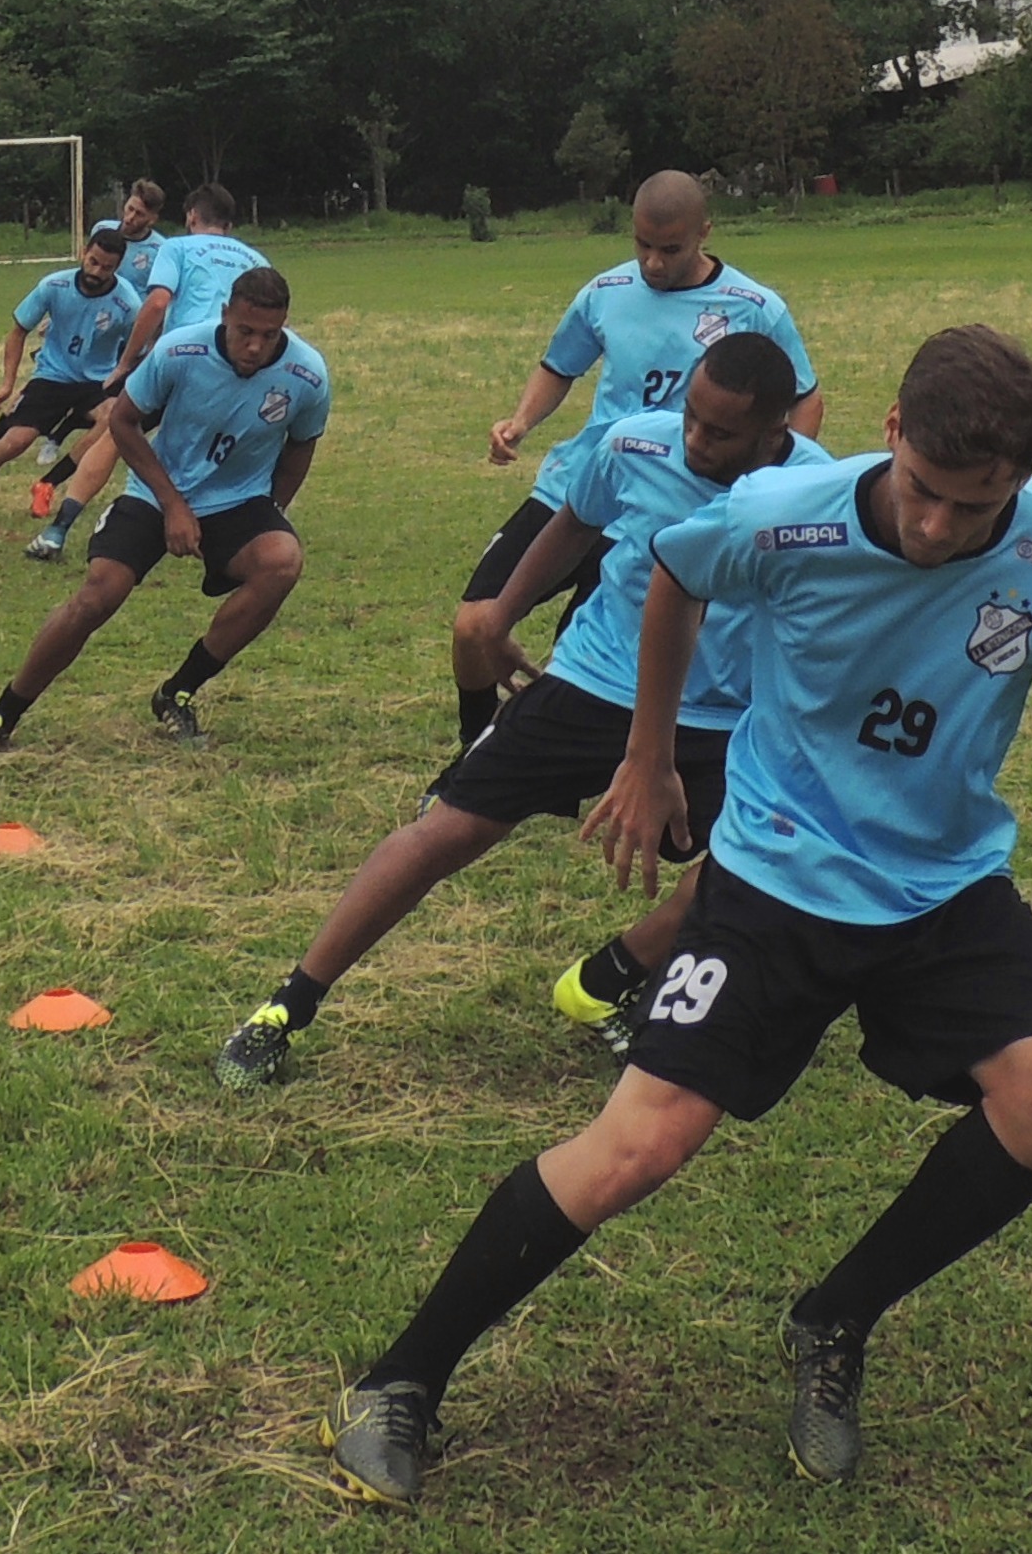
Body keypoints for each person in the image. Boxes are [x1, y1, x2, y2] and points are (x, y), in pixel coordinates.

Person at [321, 326, 1032, 1507]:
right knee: (638, 1145)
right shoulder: (782, 513)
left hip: (942, 889)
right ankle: (402, 1382)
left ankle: (833, 1319)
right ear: (888, 431)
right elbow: (675, 574)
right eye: (921, 492)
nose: (938, 529)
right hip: (771, 878)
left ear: (1022, 479)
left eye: (976, 506)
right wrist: (645, 754)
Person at [213, 334, 829, 1089]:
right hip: (592, 682)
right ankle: (287, 1004)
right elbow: (572, 522)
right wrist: (500, 617)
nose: (694, 439)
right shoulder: (635, 441)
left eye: (720, 431)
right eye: (690, 415)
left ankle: (609, 977)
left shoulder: (816, 497)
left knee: (770, 857)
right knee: (446, 831)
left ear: (777, 430)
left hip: (722, 717)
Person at [454, 171, 819, 750]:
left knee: (592, 658)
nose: (652, 262)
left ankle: (550, 761)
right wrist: (521, 420)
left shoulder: (755, 308)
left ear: (705, 232)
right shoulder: (605, 292)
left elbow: (802, 396)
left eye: (669, 249)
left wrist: (772, 485)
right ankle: (472, 746)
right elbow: (560, 365)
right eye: (641, 245)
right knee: (473, 626)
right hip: (578, 489)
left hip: (663, 507)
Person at [0, 264, 330, 756]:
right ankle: (3, 716)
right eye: (244, 331)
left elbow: (302, 444)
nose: (255, 346)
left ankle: (177, 692)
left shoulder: (307, 374)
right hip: (156, 493)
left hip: (237, 500)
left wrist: (273, 508)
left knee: (282, 561)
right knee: (97, 595)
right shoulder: (180, 350)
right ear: (224, 316)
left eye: (268, 334)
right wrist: (172, 504)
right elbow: (124, 423)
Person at [27, 184, 269, 561]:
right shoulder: (257, 259)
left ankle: (57, 532)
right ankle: (239, 533)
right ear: (230, 223)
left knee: (116, 433)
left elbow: (157, 302)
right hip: (240, 363)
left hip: (185, 355)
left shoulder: (176, 247)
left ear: (191, 216)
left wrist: (126, 363)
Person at [0, 224, 137, 520]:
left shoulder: (129, 303)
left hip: (96, 382)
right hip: (52, 377)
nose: (96, 271)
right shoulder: (54, 286)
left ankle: (47, 484)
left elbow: (143, 346)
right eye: (93, 262)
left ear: (118, 267)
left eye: (106, 268)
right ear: (84, 253)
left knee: (111, 421)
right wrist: (8, 384)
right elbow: (18, 331)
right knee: (14, 442)